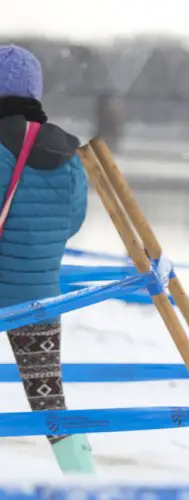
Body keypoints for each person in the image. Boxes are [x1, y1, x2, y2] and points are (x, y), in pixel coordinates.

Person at [0, 45, 94, 474]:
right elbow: (72, 222)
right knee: (48, 395)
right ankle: (82, 477)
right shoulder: (67, 153)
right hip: (40, 298)